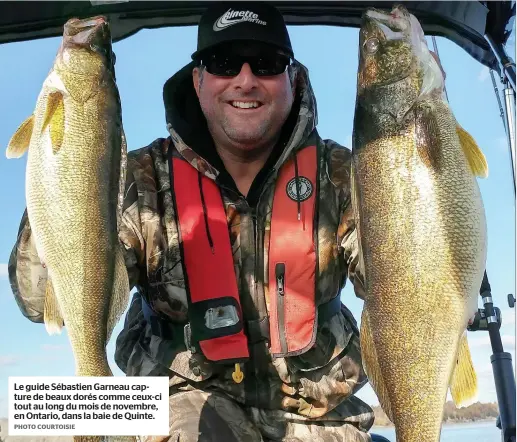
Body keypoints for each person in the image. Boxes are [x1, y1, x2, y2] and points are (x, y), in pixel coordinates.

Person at [8, 2, 378, 441]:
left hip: (321, 411)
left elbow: (403, 287)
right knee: (45, 410)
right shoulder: (136, 178)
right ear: (198, 80)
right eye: (223, 63)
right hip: (172, 400)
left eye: (266, 63)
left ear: (292, 78)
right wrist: (67, 179)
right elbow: (35, 303)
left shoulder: (348, 175)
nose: (245, 79)